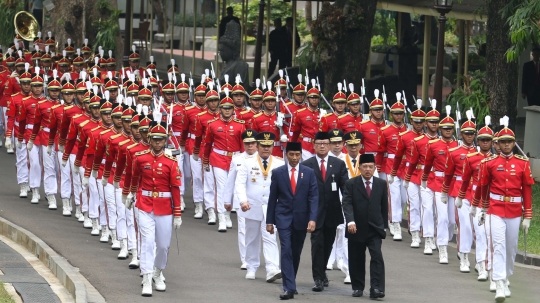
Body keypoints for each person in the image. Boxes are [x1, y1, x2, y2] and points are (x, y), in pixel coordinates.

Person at [472, 119, 533, 302]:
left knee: (510, 248)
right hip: (495, 209)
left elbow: (527, 190)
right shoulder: (489, 163)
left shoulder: (523, 163)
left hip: (515, 210)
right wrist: (482, 208)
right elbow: (483, 186)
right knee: (498, 245)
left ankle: (505, 277)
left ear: (514, 144)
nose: (506, 145)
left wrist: (527, 215)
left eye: (510, 142)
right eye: (503, 142)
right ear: (497, 143)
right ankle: (498, 282)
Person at [128, 115, 182, 297]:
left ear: (165, 140)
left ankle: (158, 272)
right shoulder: (141, 158)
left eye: (161, 139)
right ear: (149, 139)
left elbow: (175, 188)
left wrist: (178, 214)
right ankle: (146, 278)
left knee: (163, 245)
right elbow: (135, 177)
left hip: (165, 207)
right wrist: (130, 193)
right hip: (144, 204)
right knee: (147, 241)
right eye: (154, 139)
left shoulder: (171, 162)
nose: (157, 143)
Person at [266, 142, 318, 300]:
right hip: (283, 217)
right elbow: (272, 198)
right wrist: (269, 221)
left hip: (301, 219)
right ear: (286, 155)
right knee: (286, 250)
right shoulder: (278, 172)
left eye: (297, 155)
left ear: (301, 155)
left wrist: (312, 219)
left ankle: (291, 280)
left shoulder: (309, 173)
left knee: (295, 252)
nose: (294, 158)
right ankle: (288, 287)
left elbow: (313, 197)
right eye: (291, 155)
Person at [301, 132, 348, 292]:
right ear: (314, 145)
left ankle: (322, 273)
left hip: (332, 211)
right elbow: (302, 190)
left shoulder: (338, 164)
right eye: (319, 143)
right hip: (314, 213)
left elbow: (345, 187)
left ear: (329, 145)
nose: (322, 146)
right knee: (317, 244)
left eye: (325, 143)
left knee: (328, 244)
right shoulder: (307, 164)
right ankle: (318, 278)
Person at [235, 131, 283, 282]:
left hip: (271, 207)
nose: (266, 149)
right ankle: (251, 266)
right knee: (251, 238)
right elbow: (240, 183)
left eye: (269, 146)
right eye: (263, 146)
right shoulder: (247, 163)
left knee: (270, 237)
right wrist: (242, 201)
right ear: (257, 146)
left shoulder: (279, 163)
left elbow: (284, 186)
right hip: (252, 205)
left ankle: (272, 268)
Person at [342, 153, 388, 299]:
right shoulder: (351, 184)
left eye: (370, 167)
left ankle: (376, 288)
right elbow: (347, 204)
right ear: (359, 168)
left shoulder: (381, 184)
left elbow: (384, 207)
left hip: (374, 228)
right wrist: (350, 221)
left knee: (377, 257)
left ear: (375, 168)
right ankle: (357, 287)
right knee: (356, 258)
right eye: (365, 167)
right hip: (356, 228)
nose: (368, 169)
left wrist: (384, 226)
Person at [456, 117, 494, 282]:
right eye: (482, 140)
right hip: (469, 198)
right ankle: (464, 256)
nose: (485, 143)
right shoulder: (471, 158)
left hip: (486, 201)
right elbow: (464, 180)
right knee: (465, 228)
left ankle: (481, 263)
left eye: (488, 140)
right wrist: (460, 197)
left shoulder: (496, 159)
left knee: (483, 233)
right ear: (478, 141)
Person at [421, 107, 458, 264]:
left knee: (451, 220)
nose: (448, 131)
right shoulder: (434, 145)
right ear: (441, 129)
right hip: (438, 183)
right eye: (445, 128)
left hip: (454, 185)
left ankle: (444, 238)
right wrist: (424, 179)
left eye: (451, 128)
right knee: (441, 217)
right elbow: (428, 164)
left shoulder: (457, 144)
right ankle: (442, 247)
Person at [440, 116, 477, 272]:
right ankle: (464, 256)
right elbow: (448, 174)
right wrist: (444, 192)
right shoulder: (454, 152)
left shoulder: (478, 152)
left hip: (475, 192)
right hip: (459, 191)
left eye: (472, 133)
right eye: (466, 133)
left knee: (476, 228)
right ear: (461, 134)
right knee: (464, 225)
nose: (469, 136)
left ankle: (480, 259)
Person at [389, 101, 426, 248]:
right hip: (405, 172)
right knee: (407, 201)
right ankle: (399, 225)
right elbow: (398, 157)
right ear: (411, 121)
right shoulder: (404, 136)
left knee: (409, 201)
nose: (418, 124)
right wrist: (393, 173)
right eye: (416, 122)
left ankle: (424, 232)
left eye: (421, 122)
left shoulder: (427, 138)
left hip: (422, 174)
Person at [224, 129, 259, 270]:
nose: (250, 146)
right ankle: (245, 259)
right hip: (241, 199)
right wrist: (227, 200)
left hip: (258, 200)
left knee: (259, 231)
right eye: (247, 143)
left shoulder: (263, 159)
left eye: (252, 143)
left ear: (257, 144)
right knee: (243, 230)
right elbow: (230, 181)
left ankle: (255, 257)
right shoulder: (237, 159)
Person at [378, 97, 407, 241]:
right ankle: (395, 224)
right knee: (394, 197)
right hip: (391, 165)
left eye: (401, 113)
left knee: (403, 198)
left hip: (405, 166)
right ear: (391, 114)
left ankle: (394, 217)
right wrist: (379, 168)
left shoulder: (408, 130)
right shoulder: (385, 131)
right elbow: (381, 150)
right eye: (396, 113)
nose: (398, 116)